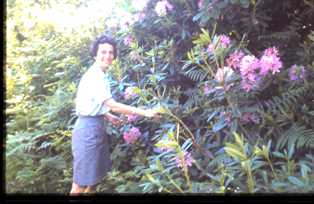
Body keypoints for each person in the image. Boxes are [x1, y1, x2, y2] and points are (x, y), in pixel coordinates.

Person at [70, 34, 159, 195]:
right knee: (79, 185)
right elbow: (113, 105)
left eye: (111, 52)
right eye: (103, 52)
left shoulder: (100, 75)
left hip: (95, 128)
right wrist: (144, 112)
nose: (107, 56)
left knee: (93, 182)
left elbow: (87, 101)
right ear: (95, 54)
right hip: (87, 132)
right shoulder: (95, 76)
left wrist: (107, 116)